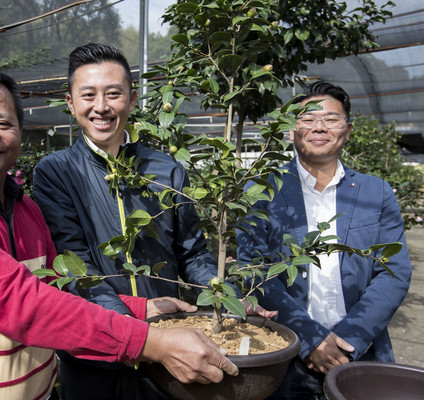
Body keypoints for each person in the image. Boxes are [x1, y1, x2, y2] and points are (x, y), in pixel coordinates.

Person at [0, 66, 240, 400]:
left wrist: (140, 307)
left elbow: (57, 286)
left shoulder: (25, 209)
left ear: (19, 131)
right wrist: (153, 343)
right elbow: (26, 305)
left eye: (3, 123)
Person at [32, 43, 275, 400]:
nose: (101, 107)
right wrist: (136, 334)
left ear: (131, 100)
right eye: (88, 95)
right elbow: (75, 267)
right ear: (71, 103)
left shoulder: (165, 169)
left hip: (168, 355)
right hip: (96, 355)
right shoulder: (56, 172)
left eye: (113, 94)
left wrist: (229, 298)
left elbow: (193, 253)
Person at [236, 81, 412, 399]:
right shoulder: (262, 191)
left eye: (331, 119)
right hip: (285, 350)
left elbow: (393, 273)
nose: (319, 126)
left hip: (359, 350)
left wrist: (347, 340)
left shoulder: (377, 192)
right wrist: (311, 338)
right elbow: (253, 269)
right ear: (291, 129)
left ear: (347, 130)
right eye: (307, 118)